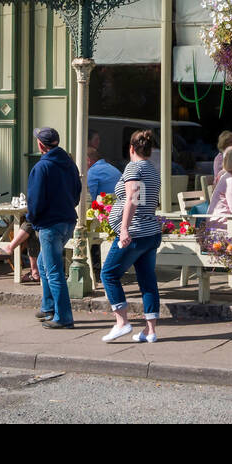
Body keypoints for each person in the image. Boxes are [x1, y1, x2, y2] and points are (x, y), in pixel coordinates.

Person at [101, 129, 164, 343]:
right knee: (147, 280)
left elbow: (132, 199)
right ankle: (150, 330)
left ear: (131, 149)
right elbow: (146, 200)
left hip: (135, 233)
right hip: (150, 232)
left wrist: (125, 229)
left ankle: (122, 323)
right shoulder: (153, 169)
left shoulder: (133, 167)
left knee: (108, 274)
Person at [27, 127, 81, 330]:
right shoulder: (70, 164)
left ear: (41, 145)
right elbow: (77, 192)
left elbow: (34, 200)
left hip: (50, 224)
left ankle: (63, 316)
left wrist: (33, 220)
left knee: (54, 271)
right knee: (43, 264)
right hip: (68, 221)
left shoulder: (41, 168)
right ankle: (48, 306)